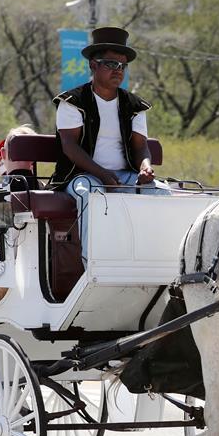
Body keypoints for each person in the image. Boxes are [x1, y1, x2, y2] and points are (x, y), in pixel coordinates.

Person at [52, 26, 170, 261]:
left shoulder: (135, 105)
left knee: (163, 194)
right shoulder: (72, 101)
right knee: (90, 196)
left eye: (123, 66)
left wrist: (145, 167)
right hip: (82, 175)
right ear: (93, 65)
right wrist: (104, 174)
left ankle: (160, 264)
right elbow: (70, 147)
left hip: (124, 175)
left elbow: (140, 147)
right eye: (111, 64)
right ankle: (93, 264)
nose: (119, 70)